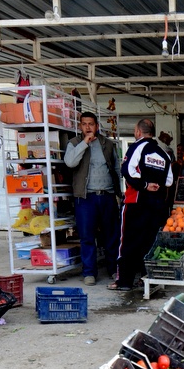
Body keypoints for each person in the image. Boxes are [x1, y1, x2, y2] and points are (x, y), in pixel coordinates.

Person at [108, 117, 174, 292]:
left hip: (135, 203)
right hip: (156, 207)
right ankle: (147, 280)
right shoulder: (164, 154)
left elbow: (127, 171)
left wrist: (144, 185)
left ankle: (124, 281)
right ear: (152, 132)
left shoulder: (136, 147)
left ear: (138, 131)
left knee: (128, 242)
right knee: (150, 243)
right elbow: (168, 181)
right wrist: (154, 185)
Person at [64, 112, 121, 285]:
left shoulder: (108, 144)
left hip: (107, 195)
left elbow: (117, 169)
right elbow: (70, 163)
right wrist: (84, 144)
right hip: (86, 197)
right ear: (80, 126)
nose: (88, 127)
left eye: (91, 124)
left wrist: (119, 194)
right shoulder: (74, 143)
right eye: (84, 124)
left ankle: (113, 270)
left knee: (111, 236)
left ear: (97, 126)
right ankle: (89, 272)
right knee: (87, 236)